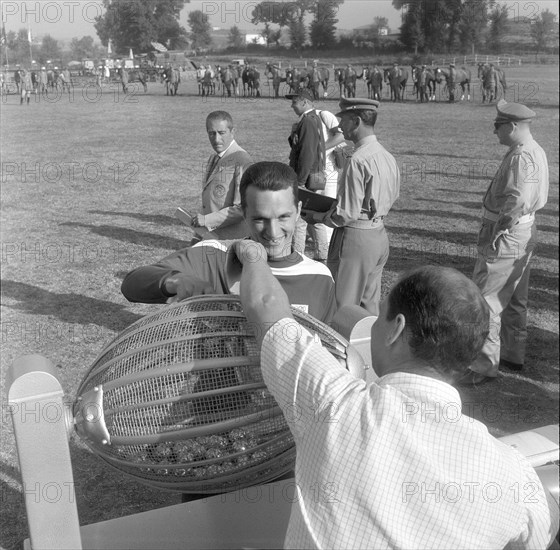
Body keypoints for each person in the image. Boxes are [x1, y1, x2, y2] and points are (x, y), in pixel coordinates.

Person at [235, 254, 559, 549]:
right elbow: (542, 530)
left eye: (381, 315)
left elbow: (265, 305)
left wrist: (253, 257)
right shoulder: (513, 473)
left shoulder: (332, 402)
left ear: (396, 329)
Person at [121, 161, 336, 324]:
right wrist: (174, 281)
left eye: (283, 217)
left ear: (298, 211)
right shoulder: (214, 257)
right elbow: (132, 285)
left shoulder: (319, 278)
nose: (273, 232)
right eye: (260, 218)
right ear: (243, 213)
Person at [462, 100, 549, 385]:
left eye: (498, 126)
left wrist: (498, 231)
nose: (494, 131)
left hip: (508, 234)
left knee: (487, 300)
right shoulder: (533, 150)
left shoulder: (521, 157)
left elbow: (518, 201)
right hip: (524, 232)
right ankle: (513, 354)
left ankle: (484, 365)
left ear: (513, 126)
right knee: (514, 299)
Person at [302, 97, 400, 316]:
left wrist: (317, 217)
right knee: (369, 305)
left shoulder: (357, 160)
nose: (339, 126)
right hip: (378, 234)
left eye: (343, 121)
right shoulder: (387, 156)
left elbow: (346, 214)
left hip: (355, 238)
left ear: (356, 121)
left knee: (343, 307)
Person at [190, 111, 253, 240]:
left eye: (221, 133)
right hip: (211, 236)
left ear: (232, 132)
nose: (216, 139)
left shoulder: (242, 161)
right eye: (211, 133)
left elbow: (243, 208)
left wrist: (207, 220)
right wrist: (199, 234)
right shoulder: (213, 157)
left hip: (232, 241)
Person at [286, 89, 327, 260]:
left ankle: (297, 257)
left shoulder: (308, 122)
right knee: (314, 219)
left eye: (294, 101)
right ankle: (323, 255)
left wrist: (300, 181)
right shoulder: (310, 119)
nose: (292, 105)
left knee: (300, 221)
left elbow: (307, 154)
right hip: (313, 177)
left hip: (307, 178)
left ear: (304, 102)